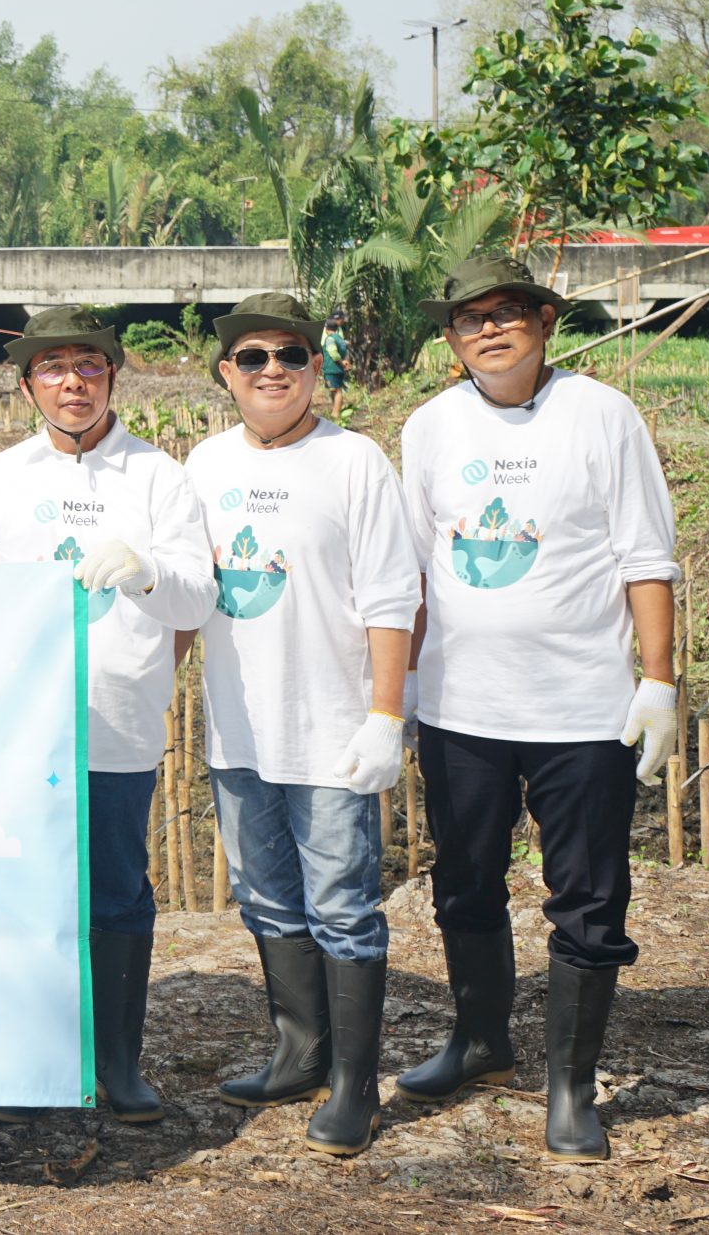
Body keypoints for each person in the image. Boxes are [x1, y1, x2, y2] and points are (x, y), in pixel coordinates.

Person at [394, 256, 678, 1163]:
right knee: (465, 882)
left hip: (581, 709)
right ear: (450, 338)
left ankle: (571, 1084)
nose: (490, 328)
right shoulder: (430, 426)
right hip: (460, 707)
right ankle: (480, 1039)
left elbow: (645, 553)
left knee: (589, 899)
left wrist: (660, 678)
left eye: (508, 311)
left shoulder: (602, 414)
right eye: (469, 318)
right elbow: (416, 571)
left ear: (545, 321)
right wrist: (396, 693)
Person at [0, 306, 211, 1125]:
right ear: (28, 382)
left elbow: (199, 594)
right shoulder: (0, 476)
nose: (72, 382)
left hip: (115, 718)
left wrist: (144, 572)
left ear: (112, 375)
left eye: (89, 366)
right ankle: (29, 1059)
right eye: (53, 368)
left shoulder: (158, 476)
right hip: (19, 726)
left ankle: (118, 1062)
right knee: (21, 887)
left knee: (116, 889)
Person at [184, 292, 419, 1156]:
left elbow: (395, 595)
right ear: (226, 374)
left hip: (331, 730)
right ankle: (300, 1050)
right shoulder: (202, 466)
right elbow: (183, 592)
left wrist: (386, 714)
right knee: (268, 899)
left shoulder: (355, 462)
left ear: (317, 369)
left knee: (343, 908)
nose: (272, 369)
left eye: (290, 354)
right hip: (240, 731)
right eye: (253, 357)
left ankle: (357, 1083)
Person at [320, 311, 352, 419]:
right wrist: (345, 362)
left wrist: (341, 362)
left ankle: (336, 413)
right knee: (335, 389)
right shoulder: (340, 339)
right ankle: (335, 410)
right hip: (337, 369)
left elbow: (333, 353)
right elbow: (345, 351)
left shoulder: (330, 339)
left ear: (326, 328)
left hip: (332, 368)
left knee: (336, 390)